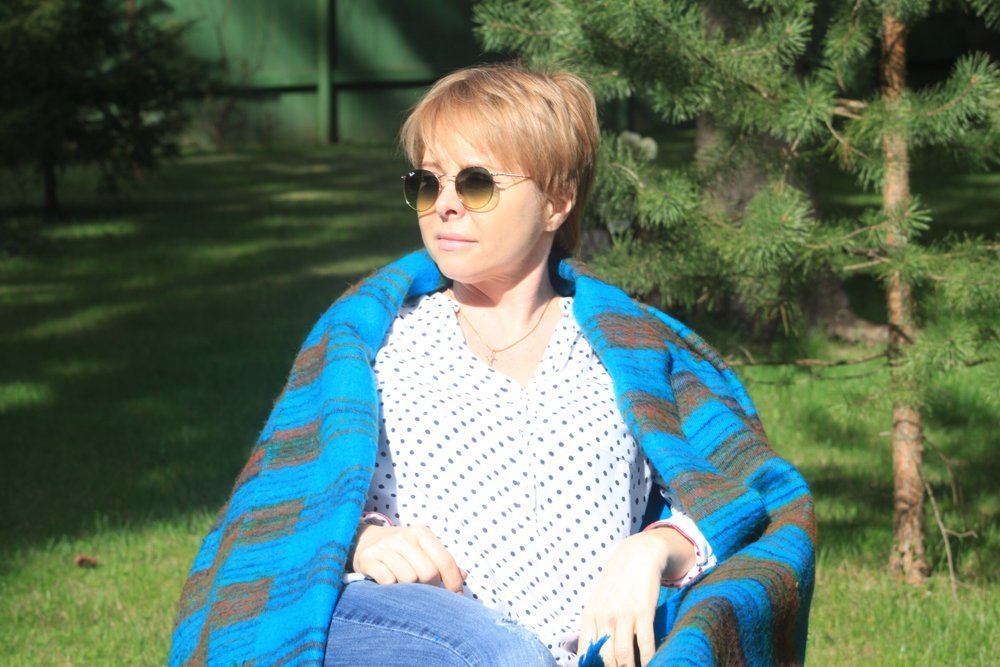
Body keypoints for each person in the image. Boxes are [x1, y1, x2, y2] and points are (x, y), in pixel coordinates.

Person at [170, 63, 815, 667]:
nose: (445, 204)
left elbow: (735, 499)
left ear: (557, 202)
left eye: (476, 183)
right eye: (428, 183)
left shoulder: (627, 352)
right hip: (402, 634)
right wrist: (364, 540)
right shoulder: (379, 345)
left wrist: (652, 550)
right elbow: (284, 511)